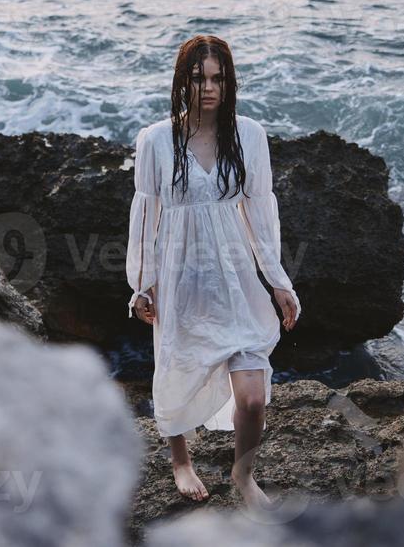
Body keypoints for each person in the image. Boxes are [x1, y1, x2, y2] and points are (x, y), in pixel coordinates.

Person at [126, 34, 301, 509]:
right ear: (182, 81)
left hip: (237, 280)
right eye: (199, 78)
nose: (209, 88)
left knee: (252, 399)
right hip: (180, 279)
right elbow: (145, 220)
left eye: (218, 78)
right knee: (176, 370)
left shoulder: (250, 136)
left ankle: (243, 476)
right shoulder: (156, 141)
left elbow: (260, 215)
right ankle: (180, 461)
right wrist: (143, 284)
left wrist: (278, 282)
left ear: (230, 82)